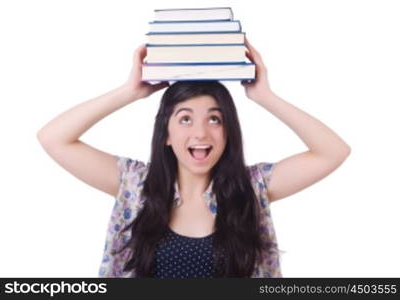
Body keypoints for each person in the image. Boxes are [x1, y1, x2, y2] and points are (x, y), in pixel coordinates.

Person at [37, 37, 351, 278]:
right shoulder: (134, 184)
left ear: (229, 132)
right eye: (185, 118)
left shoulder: (253, 187)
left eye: (214, 119)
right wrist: (129, 92)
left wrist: (264, 97)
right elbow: (54, 138)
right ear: (167, 135)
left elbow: (332, 152)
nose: (201, 132)